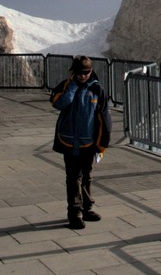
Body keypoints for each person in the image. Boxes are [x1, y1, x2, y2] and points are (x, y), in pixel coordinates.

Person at [50, 55, 112, 229]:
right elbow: (59, 103)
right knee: (72, 178)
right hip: (68, 141)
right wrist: (71, 86)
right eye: (79, 73)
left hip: (88, 143)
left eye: (86, 72)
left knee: (87, 176)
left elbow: (104, 118)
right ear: (73, 72)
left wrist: (102, 144)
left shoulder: (97, 89)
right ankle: (74, 212)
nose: (83, 76)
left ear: (91, 71)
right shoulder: (65, 86)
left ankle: (87, 208)